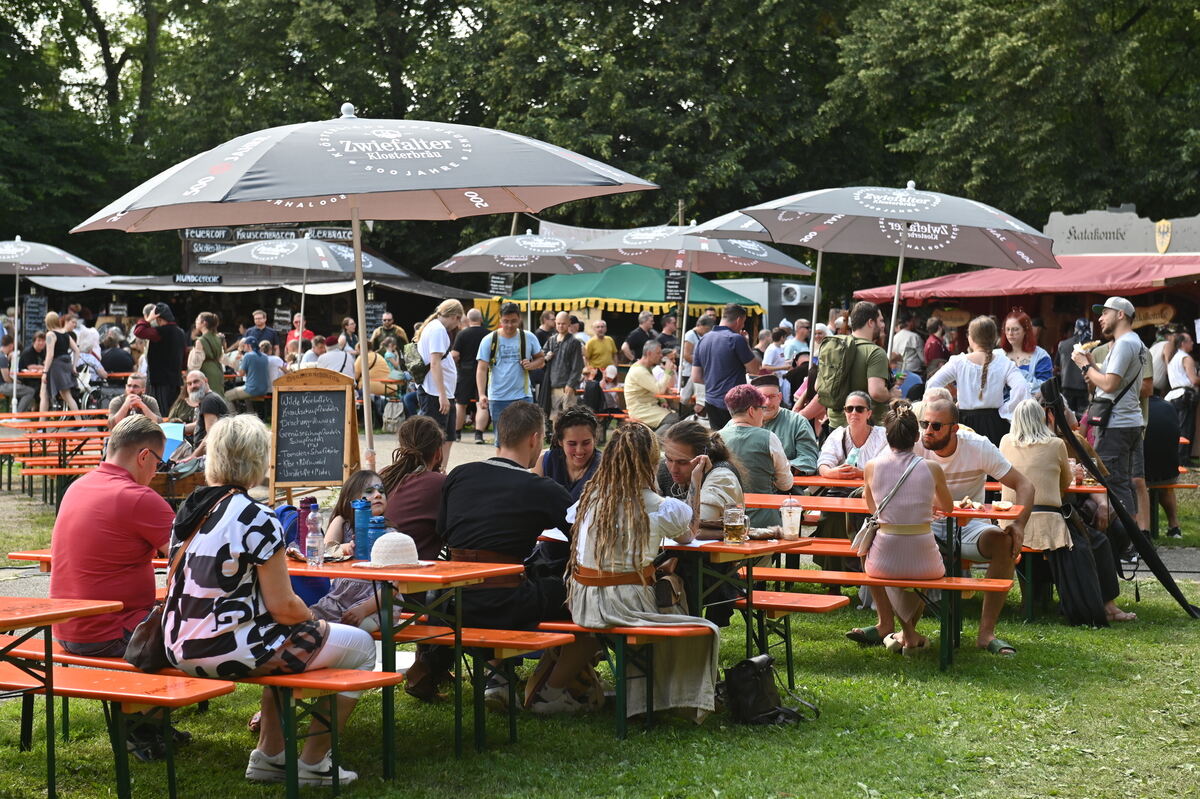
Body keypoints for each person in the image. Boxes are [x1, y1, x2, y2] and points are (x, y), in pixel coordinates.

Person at [162, 415, 371, 786]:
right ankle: (314, 762)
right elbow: (284, 606)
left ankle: (270, 755)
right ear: (259, 461)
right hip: (225, 649)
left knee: (282, 639)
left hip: (179, 645)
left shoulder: (191, 510)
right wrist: (316, 620)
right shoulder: (257, 516)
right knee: (362, 645)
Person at [436, 402, 596, 712]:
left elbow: (444, 531)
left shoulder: (458, 475)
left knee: (533, 581)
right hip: (504, 603)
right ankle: (551, 690)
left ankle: (498, 679)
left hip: (452, 602)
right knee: (588, 597)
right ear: (536, 439)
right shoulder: (541, 488)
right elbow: (585, 535)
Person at [566, 421, 717, 722]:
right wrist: (697, 481)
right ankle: (674, 699)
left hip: (582, 601)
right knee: (703, 627)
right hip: (623, 601)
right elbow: (690, 533)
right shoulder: (657, 504)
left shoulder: (591, 497)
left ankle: (647, 696)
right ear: (651, 461)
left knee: (664, 600)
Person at [49, 415, 180, 757]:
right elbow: (195, 559)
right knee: (198, 629)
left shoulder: (78, 486)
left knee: (165, 618)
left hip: (66, 627)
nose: (158, 472)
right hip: (110, 631)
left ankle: (151, 718)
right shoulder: (137, 497)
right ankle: (140, 722)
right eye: (160, 463)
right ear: (144, 457)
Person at [916, 397, 1035, 656]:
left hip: (971, 527)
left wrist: (1018, 524)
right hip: (926, 526)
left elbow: (1025, 485)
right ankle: (896, 629)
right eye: (924, 423)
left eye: (936, 426)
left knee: (1004, 543)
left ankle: (986, 634)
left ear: (954, 429)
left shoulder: (978, 446)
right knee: (887, 539)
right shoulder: (915, 445)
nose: (927, 431)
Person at [1001, 399, 1135, 622]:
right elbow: (1065, 483)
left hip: (1011, 522)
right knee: (1098, 542)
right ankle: (1107, 605)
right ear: (1043, 419)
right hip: (1047, 523)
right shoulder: (1055, 444)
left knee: (1034, 547)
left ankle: (1031, 600)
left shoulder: (1005, 442)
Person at [853, 400, 954, 653]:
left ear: (887, 436)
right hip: (924, 555)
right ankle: (910, 636)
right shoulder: (931, 467)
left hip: (884, 554)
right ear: (917, 436)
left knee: (877, 567)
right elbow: (949, 507)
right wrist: (925, 505)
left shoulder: (872, 467)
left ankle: (905, 634)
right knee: (921, 578)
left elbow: (871, 508)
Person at [1071, 297, 1148, 552]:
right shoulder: (1132, 343)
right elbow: (1107, 377)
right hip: (1129, 422)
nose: (1100, 318)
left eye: (1105, 313)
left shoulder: (1125, 344)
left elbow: (1109, 385)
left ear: (1121, 315)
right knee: (1123, 484)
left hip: (1116, 425)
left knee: (1112, 484)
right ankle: (1130, 542)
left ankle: (1123, 544)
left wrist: (1084, 365)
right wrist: (1091, 364)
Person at [926, 315, 1029, 446]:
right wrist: (1005, 410)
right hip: (996, 424)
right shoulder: (1004, 362)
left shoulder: (958, 362)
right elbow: (1022, 388)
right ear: (994, 338)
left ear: (971, 338)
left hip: (964, 426)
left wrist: (949, 408)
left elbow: (932, 385)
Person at [806, 301, 891, 430]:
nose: (883, 325)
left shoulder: (834, 346)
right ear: (870, 322)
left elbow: (818, 386)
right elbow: (876, 392)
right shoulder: (875, 352)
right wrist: (892, 394)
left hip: (834, 424)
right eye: (881, 321)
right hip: (865, 428)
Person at [718, 384, 792, 526]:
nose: (763, 414)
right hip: (765, 520)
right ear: (752, 411)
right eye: (762, 408)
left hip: (726, 521)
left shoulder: (716, 438)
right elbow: (786, 484)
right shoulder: (769, 437)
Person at [476, 302, 544, 447]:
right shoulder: (489, 340)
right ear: (500, 320)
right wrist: (482, 394)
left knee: (525, 438)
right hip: (498, 397)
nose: (509, 325)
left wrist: (531, 365)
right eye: (505, 321)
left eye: (513, 321)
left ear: (519, 319)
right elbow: (481, 369)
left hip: (523, 396)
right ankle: (502, 468)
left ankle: (522, 469)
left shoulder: (528, 337)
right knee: (501, 441)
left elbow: (541, 359)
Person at [691, 303, 760, 430]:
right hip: (735, 402)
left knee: (719, 442)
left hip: (711, 400)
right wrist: (747, 344)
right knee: (735, 442)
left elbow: (696, 377)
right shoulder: (736, 339)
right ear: (739, 320)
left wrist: (714, 382)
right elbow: (755, 369)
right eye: (743, 322)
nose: (743, 326)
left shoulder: (703, 340)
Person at [416, 299, 465, 464]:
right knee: (434, 438)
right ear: (455, 317)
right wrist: (442, 395)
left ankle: (441, 470)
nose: (457, 325)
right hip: (435, 392)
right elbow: (435, 362)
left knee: (448, 436)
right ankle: (432, 471)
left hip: (439, 391)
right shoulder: (438, 330)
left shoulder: (436, 328)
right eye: (458, 320)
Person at [751, 374, 818, 475]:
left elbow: (809, 460)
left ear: (780, 397)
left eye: (772, 397)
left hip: (786, 487)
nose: (768, 403)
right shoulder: (742, 422)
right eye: (762, 397)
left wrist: (779, 469)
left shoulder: (797, 422)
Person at [532, 405, 602, 500]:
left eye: (586, 443)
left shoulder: (603, 468)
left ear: (595, 439)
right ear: (560, 442)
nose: (579, 450)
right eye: (572, 444)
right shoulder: (545, 463)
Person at [133, 302, 188, 415]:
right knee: (172, 412)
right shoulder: (181, 332)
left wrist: (148, 319)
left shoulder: (161, 332)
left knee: (158, 413)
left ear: (158, 319)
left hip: (160, 382)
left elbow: (138, 331)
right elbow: (184, 358)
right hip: (175, 380)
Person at [1145, 394, 1183, 539]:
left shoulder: (1133, 407)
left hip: (1142, 474)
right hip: (1169, 472)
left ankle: (1142, 528)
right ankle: (1174, 527)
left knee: (1136, 486)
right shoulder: (1168, 406)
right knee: (1166, 488)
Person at [624, 340, 679, 435]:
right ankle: (654, 444)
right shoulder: (639, 371)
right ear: (649, 353)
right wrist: (667, 371)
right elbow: (659, 390)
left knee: (675, 416)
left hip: (647, 407)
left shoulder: (645, 368)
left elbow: (655, 388)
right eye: (658, 353)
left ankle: (654, 442)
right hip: (641, 410)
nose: (661, 356)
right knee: (674, 419)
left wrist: (662, 401)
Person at [452, 308, 489, 443]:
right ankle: (478, 435)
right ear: (481, 319)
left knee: (461, 404)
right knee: (482, 403)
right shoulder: (489, 334)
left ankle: (456, 433)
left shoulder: (462, 334)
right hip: (484, 372)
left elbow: (455, 355)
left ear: (468, 320)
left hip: (465, 372)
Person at [543, 310, 584, 426]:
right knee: (555, 417)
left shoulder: (574, 342)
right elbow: (541, 356)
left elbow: (577, 366)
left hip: (567, 386)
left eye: (564, 323)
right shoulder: (551, 340)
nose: (561, 326)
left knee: (569, 418)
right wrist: (546, 356)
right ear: (555, 323)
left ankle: (568, 442)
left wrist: (571, 384)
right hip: (553, 385)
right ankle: (557, 442)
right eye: (558, 323)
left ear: (569, 323)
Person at [1165, 330, 1199, 463]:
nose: (1192, 343)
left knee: (1176, 427)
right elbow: (1194, 380)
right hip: (1184, 394)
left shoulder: (1173, 358)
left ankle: (1175, 457)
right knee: (1186, 427)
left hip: (1173, 395)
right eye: (1190, 341)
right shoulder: (1186, 358)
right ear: (1183, 343)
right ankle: (1182, 458)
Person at [179, 369, 229, 460]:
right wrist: (179, 429)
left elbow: (211, 434)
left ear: (205, 381)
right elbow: (200, 424)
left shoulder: (208, 401)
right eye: (189, 384)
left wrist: (193, 456)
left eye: (196, 382)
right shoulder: (207, 399)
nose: (193, 386)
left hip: (211, 457)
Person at [1001, 309, 1053, 397]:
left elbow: (1046, 388)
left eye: (1015, 329)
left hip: (1029, 408)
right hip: (1001, 409)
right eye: (1007, 329)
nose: (1010, 333)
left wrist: (1016, 371)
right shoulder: (997, 355)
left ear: (1025, 330)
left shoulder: (1040, 355)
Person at [40, 311, 82, 414]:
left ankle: (41, 425)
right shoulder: (65, 334)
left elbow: (50, 355)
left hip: (56, 366)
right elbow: (77, 350)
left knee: (45, 394)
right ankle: (79, 422)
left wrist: (45, 372)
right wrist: (74, 366)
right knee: (65, 395)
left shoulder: (50, 334)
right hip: (66, 364)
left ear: (48, 322)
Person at [1056, 319, 1092, 417]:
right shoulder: (1091, 346)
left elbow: (1057, 366)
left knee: (1066, 416)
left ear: (1075, 329)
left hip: (1066, 386)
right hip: (1084, 387)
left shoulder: (1062, 344)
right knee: (1084, 418)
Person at [226, 338, 272, 411]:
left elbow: (241, 373)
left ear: (248, 345)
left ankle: (232, 417)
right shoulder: (265, 356)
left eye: (244, 346)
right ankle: (251, 414)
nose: (243, 348)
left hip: (252, 389)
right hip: (264, 389)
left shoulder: (248, 355)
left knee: (227, 396)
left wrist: (237, 364)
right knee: (245, 396)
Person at [680, 314, 714, 405]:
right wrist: (700, 364)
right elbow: (686, 355)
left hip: (698, 373)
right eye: (706, 329)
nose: (707, 332)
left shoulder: (701, 336)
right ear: (700, 325)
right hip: (689, 372)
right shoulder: (690, 335)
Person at [0, 334, 35, 411]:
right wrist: (16, 382)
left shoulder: (3, 356)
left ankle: (15, 411)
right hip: (2, 386)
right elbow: (6, 379)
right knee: (30, 391)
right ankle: (18, 414)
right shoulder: (2, 358)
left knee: (21, 389)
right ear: (11, 346)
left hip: (2, 385)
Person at [193, 312, 225, 397]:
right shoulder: (218, 338)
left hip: (206, 371)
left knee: (207, 397)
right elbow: (222, 356)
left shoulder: (200, 340)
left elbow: (196, 363)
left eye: (198, 319)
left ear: (204, 323)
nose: (196, 322)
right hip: (218, 369)